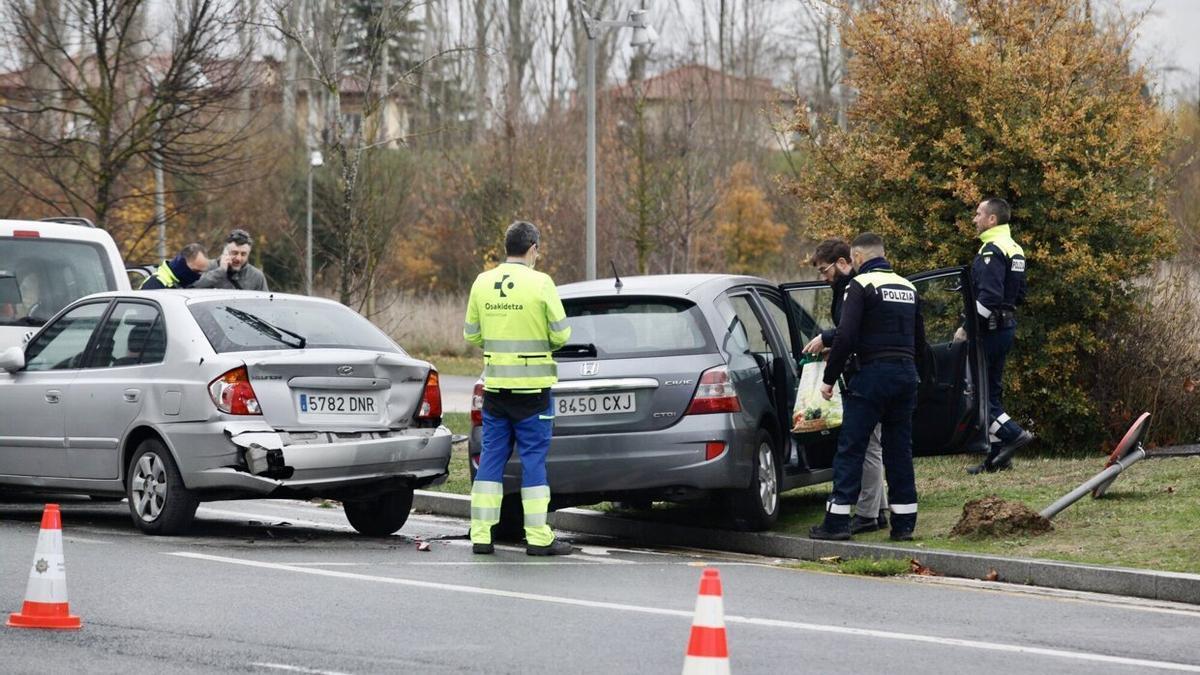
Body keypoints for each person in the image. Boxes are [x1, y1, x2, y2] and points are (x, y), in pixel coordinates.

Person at [464, 220, 573, 556]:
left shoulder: (482, 282)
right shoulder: (542, 284)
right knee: (533, 462)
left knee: (491, 461)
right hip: (533, 394)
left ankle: (481, 535)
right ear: (533, 249)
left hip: (496, 391)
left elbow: (472, 334)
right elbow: (561, 335)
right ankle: (538, 537)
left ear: (506, 246)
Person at [809, 233, 924, 542]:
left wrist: (828, 380)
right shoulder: (908, 287)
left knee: (851, 448)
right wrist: (919, 378)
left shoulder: (861, 285)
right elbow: (920, 342)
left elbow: (845, 336)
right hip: (905, 375)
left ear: (856, 257)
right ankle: (904, 525)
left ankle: (836, 523)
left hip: (871, 376)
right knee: (899, 451)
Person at [803, 238, 888, 535]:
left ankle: (867, 513)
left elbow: (854, 330)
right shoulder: (846, 288)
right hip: (867, 371)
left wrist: (828, 340)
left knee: (864, 445)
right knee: (871, 444)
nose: (824, 278)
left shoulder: (856, 287)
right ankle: (877, 510)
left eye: (825, 271)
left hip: (868, 374)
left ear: (843, 262)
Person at [958, 198, 1034, 474]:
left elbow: (988, 297)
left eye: (978, 214)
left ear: (992, 220)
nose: (974, 219)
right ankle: (997, 457)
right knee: (992, 391)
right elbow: (1020, 294)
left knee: (978, 394)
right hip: (1006, 326)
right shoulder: (1014, 248)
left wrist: (967, 326)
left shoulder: (991, 250)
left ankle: (1013, 435)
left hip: (989, 330)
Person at [192, 228, 269, 291]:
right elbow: (190, 288)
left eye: (243, 254)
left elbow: (265, 305)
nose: (238, 258)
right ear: (224, 252)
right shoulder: (206, 267)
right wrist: (220, 272)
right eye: (234, 253)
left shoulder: (256, 276)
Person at [140, 243, 209, 290]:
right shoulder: (155, 284)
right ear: (182, 264)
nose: (198, 276)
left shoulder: (184, 284)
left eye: (201, 272)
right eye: (196, 271)